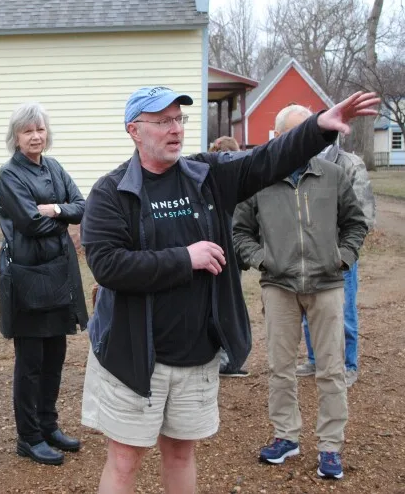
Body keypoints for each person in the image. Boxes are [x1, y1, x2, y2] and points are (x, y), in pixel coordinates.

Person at [79, 86, 379, 494]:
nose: (175, 129)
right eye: (162, 121)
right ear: (134, 130)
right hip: (133, 356)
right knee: (126, 459)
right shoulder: (111, 192)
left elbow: (265, 160)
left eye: (178, 119)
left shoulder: (206, 176)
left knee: (182, 453)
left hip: (195, 353)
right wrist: (186, 258)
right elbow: (108, 265)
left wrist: (317, 128)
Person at [233, 104, 369, 480]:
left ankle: (330, 446)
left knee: (331, 370)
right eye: (291, 135)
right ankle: (286, 436)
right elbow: (239, 230)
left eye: (304, 133)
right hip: (279, 286)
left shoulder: (333, 175)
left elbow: (355, 223)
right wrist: (262, 260)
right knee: (280, 369)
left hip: (326, 286)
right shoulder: (257, 180)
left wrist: (342, 258)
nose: (299, 142)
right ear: (278, 138)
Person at [0, 102, 89, 466]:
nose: (35, 136)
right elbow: (31, 223)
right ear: (16, 137)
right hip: (29, 276)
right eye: (27, 131)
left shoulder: (54, 167)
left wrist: (54, 209)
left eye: (40, 129)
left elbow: (81, 206)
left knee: (55, 357)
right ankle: (28, 437)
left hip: (60, 273)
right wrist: (57, 212)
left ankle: (49, 427)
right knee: (31, 362)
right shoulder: (10, 175)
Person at [297, 141, 376, 387]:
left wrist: (343, 253)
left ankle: (348, 365)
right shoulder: (299, 162)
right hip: (306, 255)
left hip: (339, 255)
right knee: (310, 310)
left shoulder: (350, 164)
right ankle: (315, 359)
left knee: (344, 312)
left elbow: (364, 216)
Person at [207, 135, 250, 378]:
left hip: (228, 254)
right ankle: (225, 359)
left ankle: (225, 357)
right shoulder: (226, 183)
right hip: (224, 256)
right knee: (225, 307)